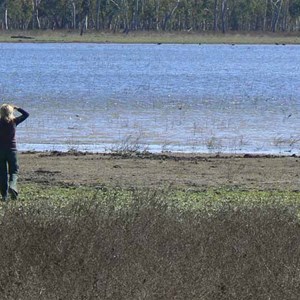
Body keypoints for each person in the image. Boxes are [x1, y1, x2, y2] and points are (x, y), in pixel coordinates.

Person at [0, 104, 29, 201]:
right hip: (12, 150)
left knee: (2, 174)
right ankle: (12, 186)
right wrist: (18, 108)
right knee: (14, 171)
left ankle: (4, 196)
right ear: (11, 112)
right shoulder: (14, 121)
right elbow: (26, 114)